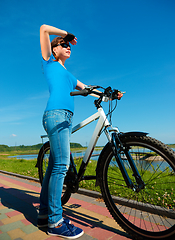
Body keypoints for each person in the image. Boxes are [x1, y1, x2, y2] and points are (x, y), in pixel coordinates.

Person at [37, 24, 123, 239]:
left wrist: (109, 94)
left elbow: (90, 89)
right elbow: (44, 29)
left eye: (69, 46)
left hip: (65, 117)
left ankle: (45, 213)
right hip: (55, 114)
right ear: (55, 49)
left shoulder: (69, 74)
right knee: (61, 165)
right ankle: (55, 223)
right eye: (63, 45)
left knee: (53, 168)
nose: (68, 47)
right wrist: (65, 35)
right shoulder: (49, 62)